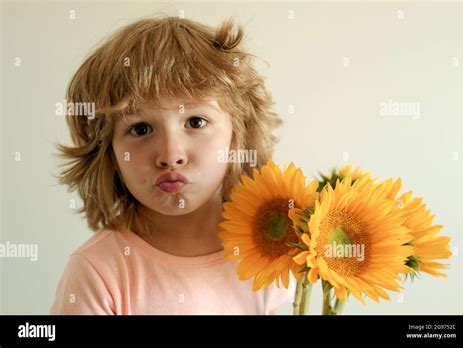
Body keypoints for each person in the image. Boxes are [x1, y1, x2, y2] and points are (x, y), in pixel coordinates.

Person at [50, 15, 293, 315]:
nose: (170, 155)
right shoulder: (98, 272)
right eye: (140, 129)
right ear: (107, 151)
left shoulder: (271, 255)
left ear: (238, 135)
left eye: (195, 121)